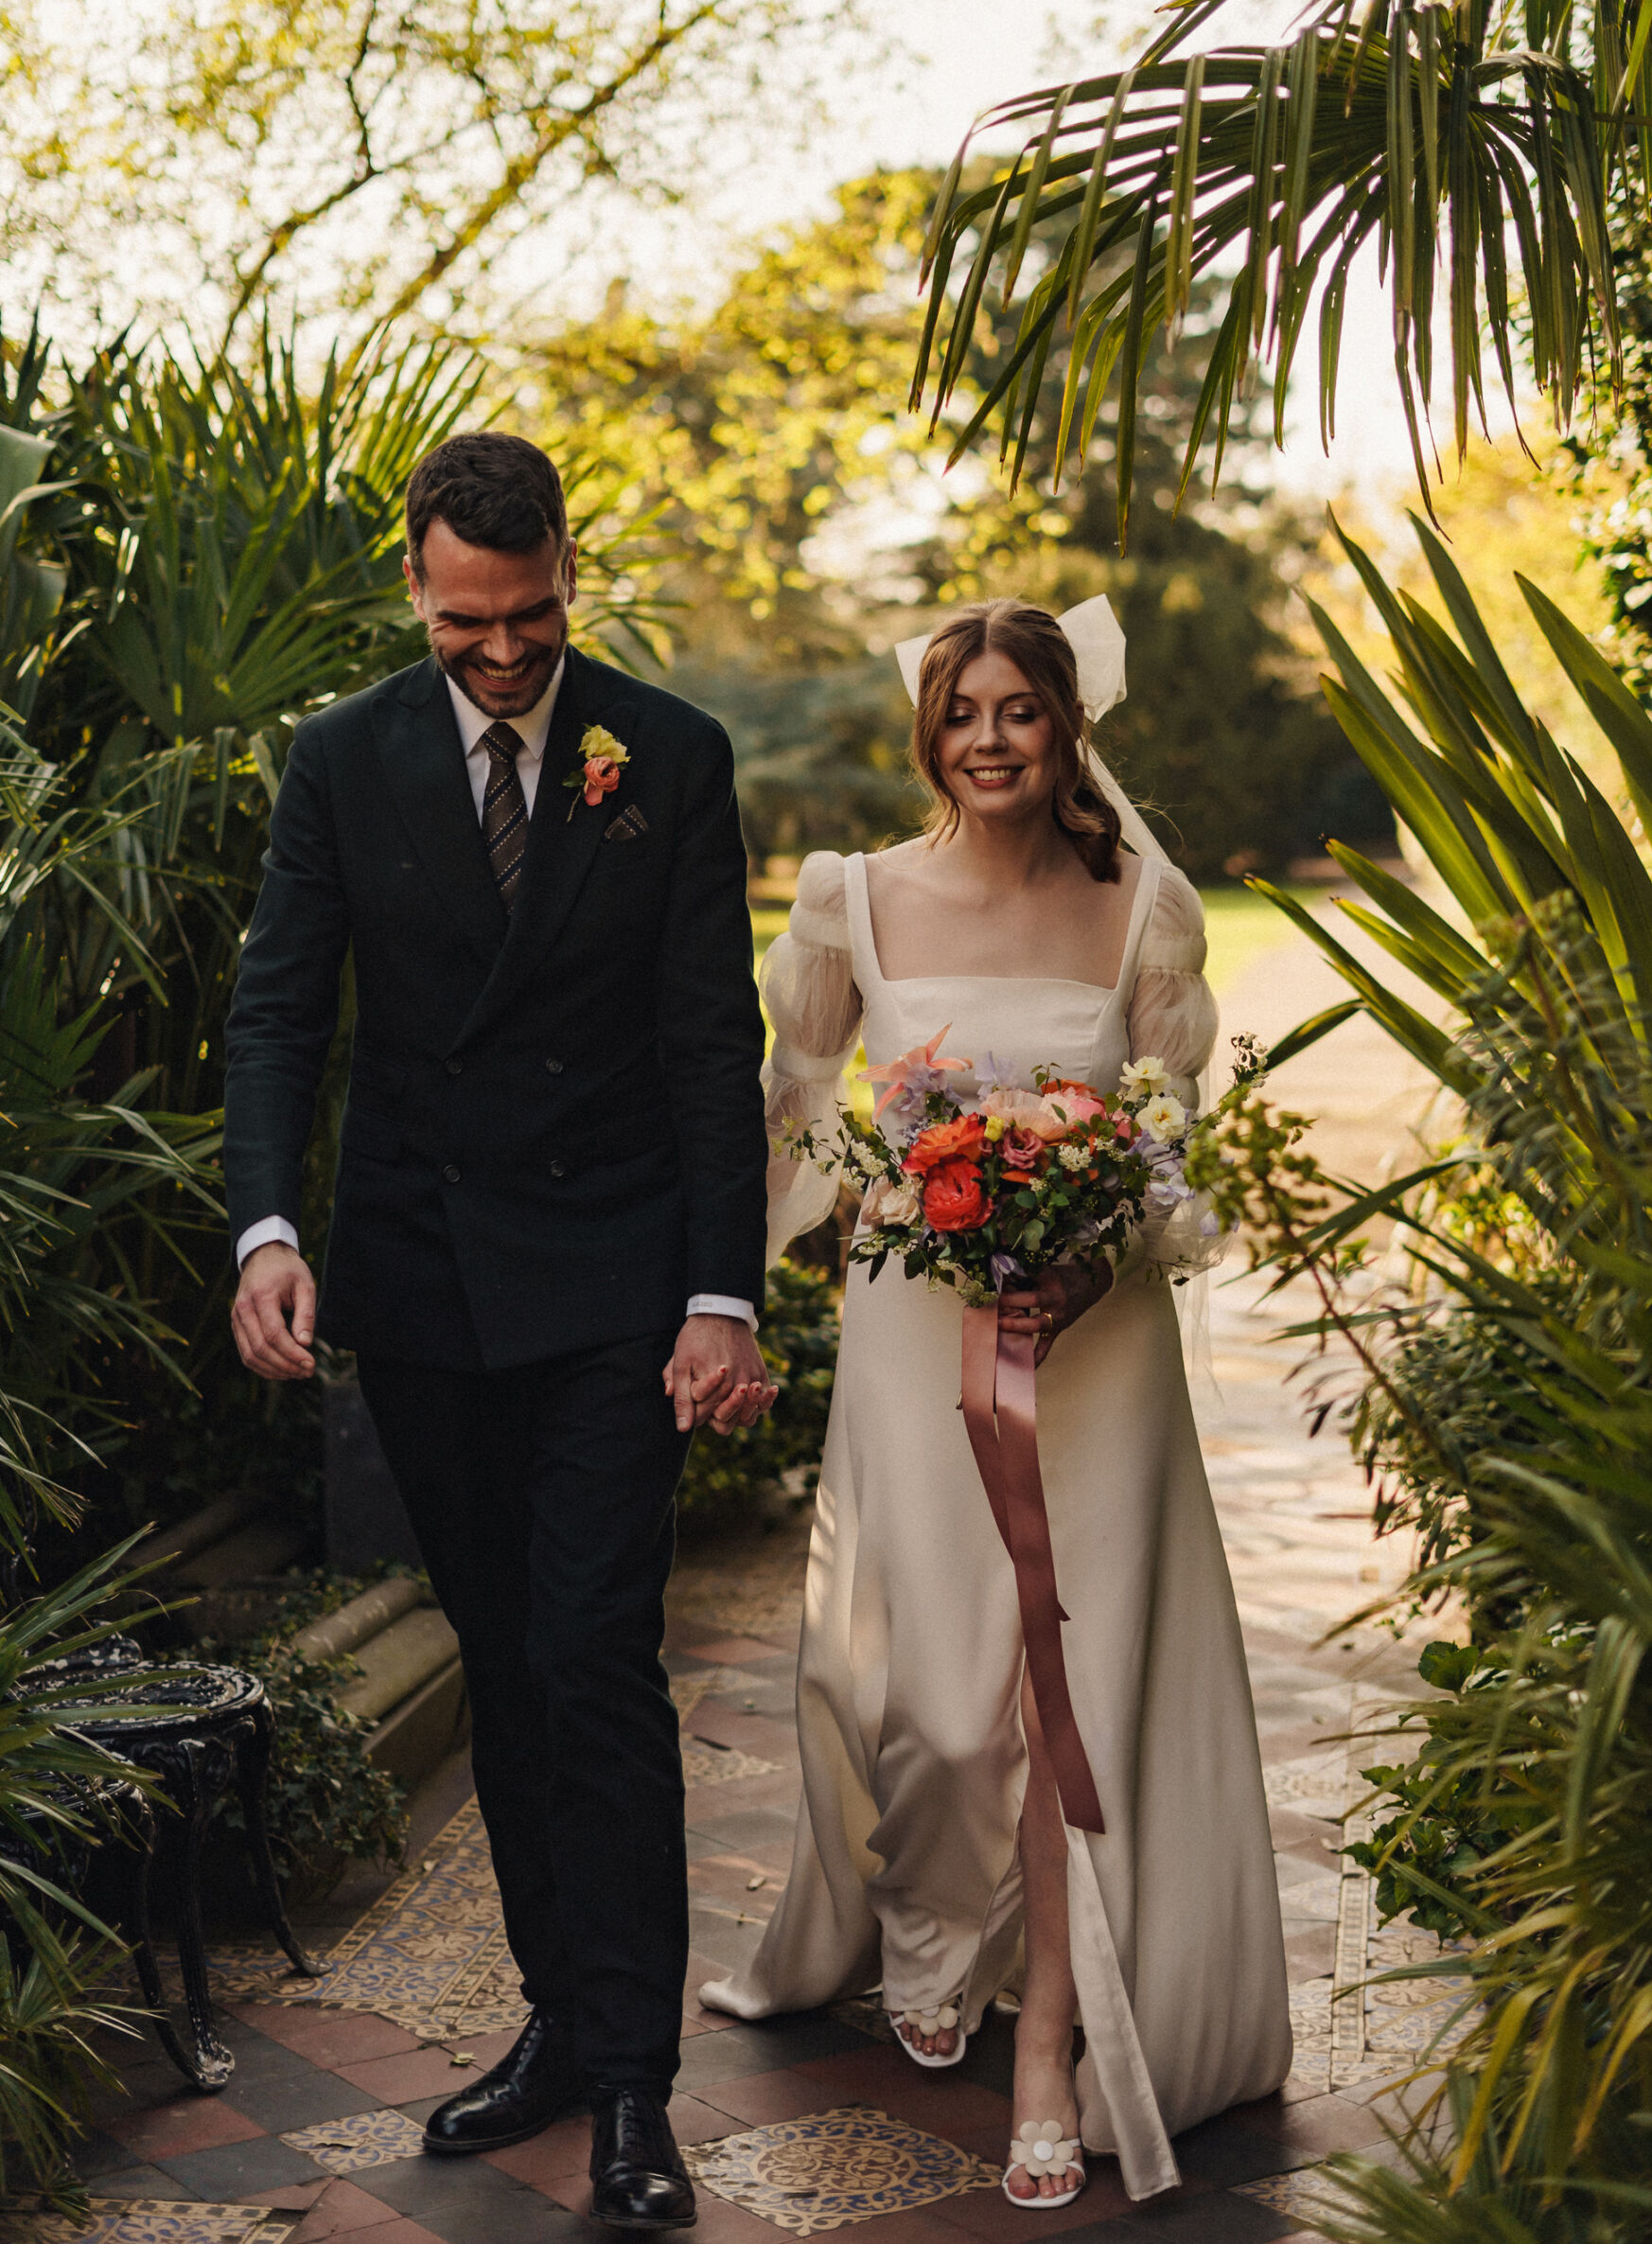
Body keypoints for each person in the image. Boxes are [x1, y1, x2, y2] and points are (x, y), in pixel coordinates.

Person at [224, 429, 772, 2232]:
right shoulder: (343, 758)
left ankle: (632, 2085)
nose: (507, 653)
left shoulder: (668, 757)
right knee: (507, 1667)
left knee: (597, 1663)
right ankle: (556, 2020)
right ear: (419, 583)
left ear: (564, 575)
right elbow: (281, 1012)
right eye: (471, 622)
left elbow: (713, 1043)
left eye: (532, 616)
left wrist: (720, 1289)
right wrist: (269, 1228)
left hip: (615, 1286)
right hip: (426, 1283)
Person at [700, 597, 1292, 2209]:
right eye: (963, 711)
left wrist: (1101, 1256)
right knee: (935, 1700)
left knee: (1069, 1703)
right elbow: (798, 1106)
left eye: (1020, 709)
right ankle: (927, 1929)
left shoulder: (1143, 907)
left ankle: (1054, 2051)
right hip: (911, 1345)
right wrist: (738, 1302)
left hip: (1100, 1359)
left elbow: (1170, 1139)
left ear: (1067, 724)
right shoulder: (854, 902)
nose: (990, 738)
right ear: (929, 732)